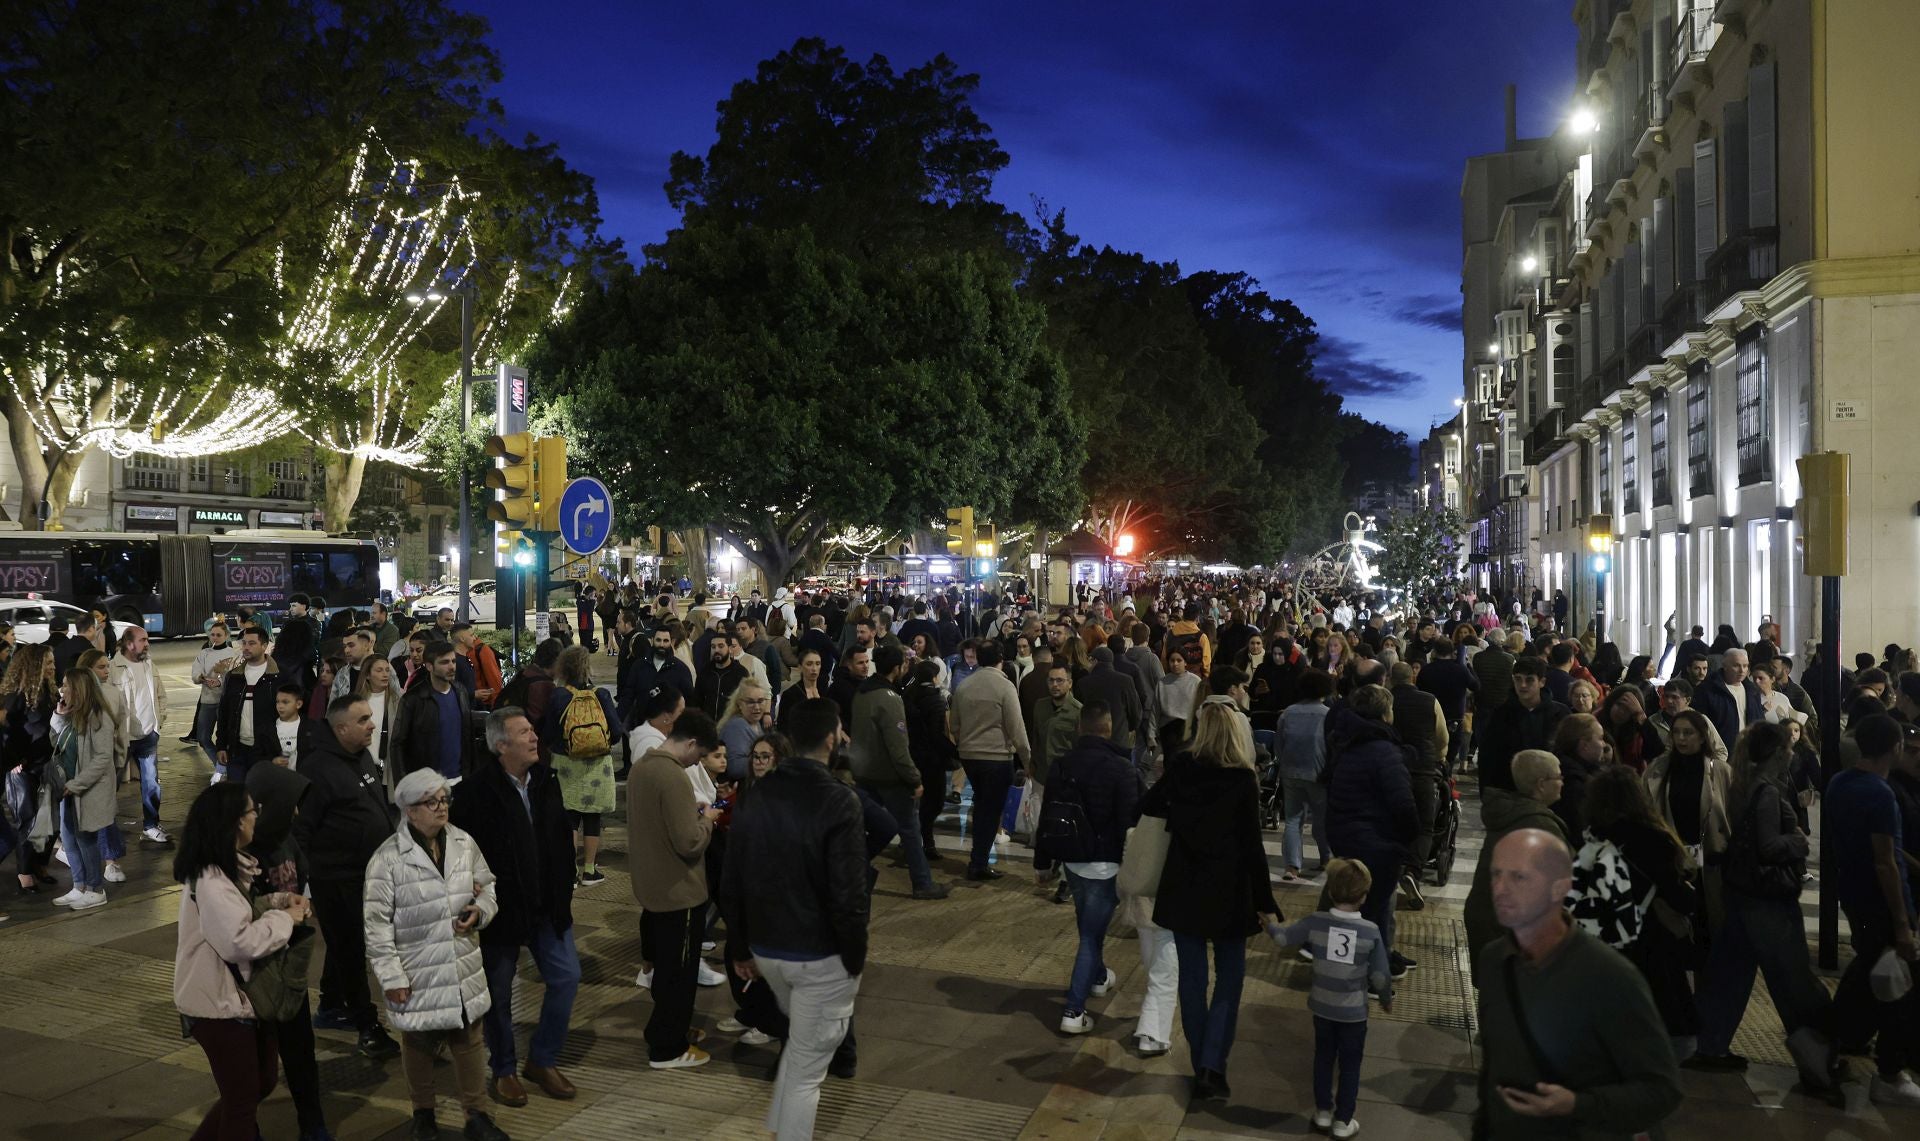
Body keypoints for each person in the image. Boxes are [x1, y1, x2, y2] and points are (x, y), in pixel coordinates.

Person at [723, 698, 871, 1141]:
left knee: (799, 1054)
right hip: (819, 954)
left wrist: (742, 944)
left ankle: (776, 1129)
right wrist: (855, 955)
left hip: (769, 948)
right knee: (808, 1072)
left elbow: (733, 878)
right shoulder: (839, 800)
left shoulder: (758, 793)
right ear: (832, 738)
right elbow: (849, 893)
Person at [1475, 829, 1683, 1139]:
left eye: (1519, 877)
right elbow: (1493, 1074)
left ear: (1560, 888)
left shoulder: (1609, 976)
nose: (1500, 889)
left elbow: (1661, 1090)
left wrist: (1577, 1105)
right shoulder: (1494, 961)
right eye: (1496, 874)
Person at [1143, 698, 1280, 1103]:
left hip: (1184, 888)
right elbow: (1254, 849)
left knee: (1192, 979)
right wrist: (1266, 901)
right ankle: (1212, 1065)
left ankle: (1201, 1060)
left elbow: (1146, 806)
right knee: (1230, 979)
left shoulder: (1181, 770)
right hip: (1229, 892)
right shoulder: (1242, 780)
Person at [363, 768, 509, 1141]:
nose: (441, 808)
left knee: (470, 1043)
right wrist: (392, 978)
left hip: (461, 965)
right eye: (431, 802)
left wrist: (480, 911)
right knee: (418, 1046)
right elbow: (376, 927)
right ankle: (423, 1115)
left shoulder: (463, 842)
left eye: (444, 800)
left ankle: (477, 1117)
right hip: (418, 971)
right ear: (410, 810)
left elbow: (488, 886)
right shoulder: (387, 860)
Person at [453, 707, 582, 1109]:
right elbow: (463, 854)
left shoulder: (546, 780)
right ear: (500, 745)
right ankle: (505, 1068)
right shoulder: (475, 792)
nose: (534, 737)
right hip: (502, 912)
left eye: (532, 729)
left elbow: (559, 839)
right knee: (498, 994)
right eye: (524, 732)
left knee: (567, 978)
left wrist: (564, 888)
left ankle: (542, 1060)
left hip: (548, 906)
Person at [172, 782, 310, 1140]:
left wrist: (277, 902)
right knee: (242, 1099)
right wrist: (285, 920)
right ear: (235, 822)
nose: (256, 819)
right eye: (252, 812)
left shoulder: (226, 869)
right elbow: (238, 941)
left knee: (259, 1083)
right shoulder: (212, 880)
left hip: (236, 1000)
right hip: (217, 1004)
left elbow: (240, 915)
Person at [297, 696, 403, 1058]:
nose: (372, 724)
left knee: (345, 945)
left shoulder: (360, 755)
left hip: (368, 874)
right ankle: (367, 1025)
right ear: (341, 728)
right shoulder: (317, 769)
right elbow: (302, 831)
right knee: (354, 949)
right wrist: (306, 887)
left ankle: (330, 1006)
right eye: (363, 720)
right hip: (337, 879)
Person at [1823, 714, 1920, 1103]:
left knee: (1868, 973)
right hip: (1882, 902)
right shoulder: (1881, 794)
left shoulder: (1839, 783)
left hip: (1854, 895)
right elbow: (1886, 861)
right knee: (1898, 985)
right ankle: (1890, 1073)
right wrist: (1902, 924)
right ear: (1895, 747)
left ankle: (1829, 1040)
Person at [626, 710, 724, 1070]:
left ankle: (667, 1030)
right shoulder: (672, 775)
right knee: (678, 973)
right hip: (678, 889)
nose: (697, 762)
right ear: (692, 743)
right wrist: (708, 820)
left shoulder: (642, 767)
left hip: (652, 885)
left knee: (667, 968)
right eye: (699, 755)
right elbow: (689, 842)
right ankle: (668, 1047)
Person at [1266, 859, 1392, 1139]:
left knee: (1323, 1058)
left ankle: (1323, 1112)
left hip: (1322, 1007)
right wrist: (1385, 998)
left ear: (1331, 893)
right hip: (1353, 1013)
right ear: (1364, 896)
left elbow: (1284, 940)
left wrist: (1270, 925)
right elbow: (1381, 976)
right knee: (1349, 1066)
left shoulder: (1315, 922)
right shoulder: (1370, 931)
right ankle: (1342, 1120)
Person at [1040, 701, 1142, 1035]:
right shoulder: (1121, 768)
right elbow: (1131, 820)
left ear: (1081, 728)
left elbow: (1047, 814)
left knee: (1088, 927)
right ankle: (1073, 1010)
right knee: (1090, 936)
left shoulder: (1062, 764)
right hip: (1105, 863)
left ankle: (1098, 977)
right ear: (1109, 728)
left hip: (1072, 859)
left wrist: (1043, 862)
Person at [1579, 766, 1700, 1043]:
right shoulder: (1653, 839)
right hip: (1648, 943)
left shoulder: (1591, 836)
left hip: (1602, 941)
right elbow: (1678, 897)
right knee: (1659, 1030)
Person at [1324, 685, 1420, 977]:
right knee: (1371, 911)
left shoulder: (1347, 741)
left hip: (1346, 834)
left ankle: (1375, 960)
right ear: (1385, 713)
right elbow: (1402, 803)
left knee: (1355, 910)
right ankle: (1365, 975)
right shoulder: (1383, 750)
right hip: (1375, 843)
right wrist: (1409, 837)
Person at [849, 644, 949, 900]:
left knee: (868, 827)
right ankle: (923, 883)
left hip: (863, 773)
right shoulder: (889, 699)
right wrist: (914, 777)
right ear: (897, 668)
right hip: (889, 777)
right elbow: (898, 746)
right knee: (909, 828)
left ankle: (849, 868)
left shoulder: (862, 692)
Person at [1464, 750, 1566, 978]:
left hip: (1490, 920)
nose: (1562, 783)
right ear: (1541, 784)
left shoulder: (1512, 812)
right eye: (1558, 777)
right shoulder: (1540, 826)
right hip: (1508, 930)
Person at [541, 646, 624, 886]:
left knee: (568, 817)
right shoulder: (601, 694)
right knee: (592, 817)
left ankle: (569, 870)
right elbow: (616, 732)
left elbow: (548, 733)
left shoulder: (558, 695)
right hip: (598, 766)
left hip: (566, 764)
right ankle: (589, 870)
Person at [949, 640, 1030, 881]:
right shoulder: (1005, 687)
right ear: (1001, 659)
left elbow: (954, 725)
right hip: (996, 757)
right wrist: (1027, 760)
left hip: (970, 757)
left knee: (982, 805)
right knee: (990, 811)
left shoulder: (964, 686)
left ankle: (978, 859)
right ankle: (978, 863)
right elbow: (1017, 728)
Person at [50, 667, 116, 910]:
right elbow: (56, 744)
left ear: (79, 689)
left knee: (86, 838)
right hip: (67, 788)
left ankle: (95, 889)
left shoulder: (98, 716)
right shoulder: (73, 714)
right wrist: (59, 715)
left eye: (66, 684)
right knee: (69, 837)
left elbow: (102, 758)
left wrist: (76, 784)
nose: (62, 689)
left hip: (85, 789)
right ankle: (79, 886)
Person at [109, 627, 170, 843]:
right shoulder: (113, 668)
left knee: (151, 782)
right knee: (110, 785)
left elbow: (160, 694)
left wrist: (158, 722)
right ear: (129, 644)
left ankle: (151, 825)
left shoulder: (148, 664)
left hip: (148, 735)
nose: (147, 643)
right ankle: (105, 829)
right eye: (143, 639)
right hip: (122, 739)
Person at [1274, 669, 1336, 883]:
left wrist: (1284, 764)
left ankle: (1292, 866)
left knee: (1292, 819)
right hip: (1318, 773)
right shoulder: (1327, 714)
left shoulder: (1288, 712)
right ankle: (1326, 858)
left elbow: (1278, 745)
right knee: (1321, 819)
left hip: (1291, 772)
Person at [1477, 657, 1568, 792]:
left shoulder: (1559, 714)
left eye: (1529, 679)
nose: (1523, 685)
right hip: (1510, 790)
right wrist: (1487, 793)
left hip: (1551, 790)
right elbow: (1488, 755)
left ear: (1541, 682)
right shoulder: (1501, 714)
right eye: (1518, 679)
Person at [391, 641, 476, 782]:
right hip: (428, 784)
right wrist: (404, 786)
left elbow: (468, 735)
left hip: (461, 779)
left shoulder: (460, 691)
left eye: (453, 661)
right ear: (429, 666)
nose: (451, 667)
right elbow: (398, 744)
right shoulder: (414, 699)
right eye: (444, 662)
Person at [902, 658, 956, 858]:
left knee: (915, 801)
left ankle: (912, 840)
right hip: (932, 759)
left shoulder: (908, 695)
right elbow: (937, 734)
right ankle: (927, 842)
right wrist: (954, 752)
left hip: (912, 755)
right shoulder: (935, 700)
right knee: (935, 801)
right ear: (934, 677)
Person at [216, 625, 282, 788]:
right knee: (237, 797)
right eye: (244, 643)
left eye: (252, 643)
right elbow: (224, 712)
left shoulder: (278, 677)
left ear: (265, 646)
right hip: (237, 749)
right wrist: (221, 745)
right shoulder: (234, 676)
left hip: (267, 751)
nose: (246, 647)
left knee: (263, 796)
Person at [1693, 648, 1765, 760]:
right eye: (1736, 666)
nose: (1742, 670)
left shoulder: (1752, 690)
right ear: (1725, 666)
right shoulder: (1707, 690)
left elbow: (1759, 721)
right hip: (1721, 755)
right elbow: (1700, 724)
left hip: (1749, 754)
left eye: (1745, 666)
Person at [192, 623, 239, 781]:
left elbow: (236, 677)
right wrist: (202, 678)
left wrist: (220, 681)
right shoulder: (204, 653)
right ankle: (221, 766)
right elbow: (195, 673)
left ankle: (225, 769)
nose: (215, 638)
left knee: (225, 737)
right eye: (212, 634)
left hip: (226, 701)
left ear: (226, 636)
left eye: (219, 635)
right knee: (203, 737)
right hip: (207, 700)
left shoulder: (233, 653)